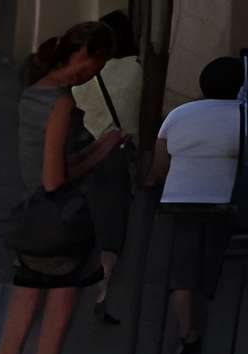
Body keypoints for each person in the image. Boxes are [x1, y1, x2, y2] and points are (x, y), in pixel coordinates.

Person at [0, 25, 123, 354]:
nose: (95, 73)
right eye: (97, 64)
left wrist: (86, 152)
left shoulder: (32, 92)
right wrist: (101, 152)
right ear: (85, 56)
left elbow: (42, 168)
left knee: (15, 331)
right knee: (53, 333)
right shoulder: (61, 104)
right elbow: (56, 179)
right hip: (61, 227)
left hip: (29, 221)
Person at [149, 54, 246, 354]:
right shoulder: (244, 115)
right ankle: (211, 319)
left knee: (183, 266)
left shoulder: (178, 114)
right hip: (224, 202)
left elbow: (160, 164)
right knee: (216, 263)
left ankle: (187, 331)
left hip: (180, 201)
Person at [74, 11, 144, 319]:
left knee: (81, 215)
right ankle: (104, 286)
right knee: (112, 222)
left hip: (83, 151)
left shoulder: (85, 72)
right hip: (117, 152)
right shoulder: (137, 70)